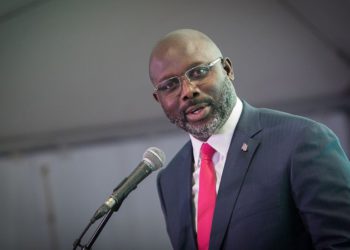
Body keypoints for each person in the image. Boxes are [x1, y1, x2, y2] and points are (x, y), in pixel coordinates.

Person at [149, 29, 350, 250]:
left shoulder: (301, 141)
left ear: (227, 69)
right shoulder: (170, 179)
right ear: (159, 99)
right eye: (170, 85)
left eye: (199, 72)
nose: (187, 91)